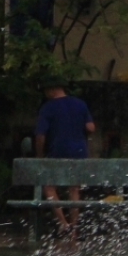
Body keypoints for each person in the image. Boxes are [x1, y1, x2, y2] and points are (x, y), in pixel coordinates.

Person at [34, 76, 95, 233]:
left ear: (53, 89)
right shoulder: (80, 104)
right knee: (74, 189)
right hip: (79, 151)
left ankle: (63, 223)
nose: (46, 93)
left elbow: (40, 136)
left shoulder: (48, 108)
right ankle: (74, 227)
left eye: (47, 90)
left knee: (48, 186)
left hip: (58, 151)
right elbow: (91, 128)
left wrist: (40, 155)